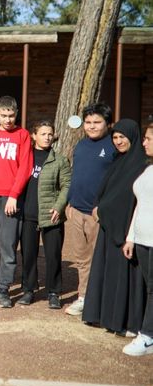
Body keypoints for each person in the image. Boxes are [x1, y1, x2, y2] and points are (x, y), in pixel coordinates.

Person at [82, 119, 146, 336]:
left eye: (122, 137)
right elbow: (107, 189)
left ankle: (125, 321)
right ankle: (103, 314)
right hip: (110, 226)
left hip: (127, 227)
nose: (118, 141)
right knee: (106, 271)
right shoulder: (118, 161)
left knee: (125, 275)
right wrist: (100, 205)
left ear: (133, 137)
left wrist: (104, 208)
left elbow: (128, 196)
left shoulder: (141, 164)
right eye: (115, 137)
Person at [0, 96, 33, 308]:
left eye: (11, 115)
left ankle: (4, 288)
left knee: (8, 244)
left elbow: (25, 167)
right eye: (4, 116)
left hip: (10, 198)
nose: (8, 120)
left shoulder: (23, 135)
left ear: (16, 114)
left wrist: (13, 195)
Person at [64, 103, 115, 317]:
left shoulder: (114, 146)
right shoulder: (81, 145)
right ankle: (84, 297)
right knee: (81, 259)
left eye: (97, 122)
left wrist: (103, 206)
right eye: (88, 122)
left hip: (99, 214)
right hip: (76, 210)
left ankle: (102, 300)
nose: (92, 126)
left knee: (99, 258)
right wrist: (69, 204)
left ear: (108, 123)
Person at [19, 120, 71, 308]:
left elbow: (67, 185)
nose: (47, 137)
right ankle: (28, 289)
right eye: (43, 134)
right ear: (34, 135)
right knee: (29, 255)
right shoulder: (26, 157)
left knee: (53, 255)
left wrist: (59, 206)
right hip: (28, 214)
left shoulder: (60, 160)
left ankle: (54, 292)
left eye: (50, 134)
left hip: (52, 215)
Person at [121, 122, 153, 356]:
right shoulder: (148, 170)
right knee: (150, 287)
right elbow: (140, 206)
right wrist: (131, 237)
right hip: (143, 239)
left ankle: (148, 335)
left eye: (149, 138)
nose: (143, 142)